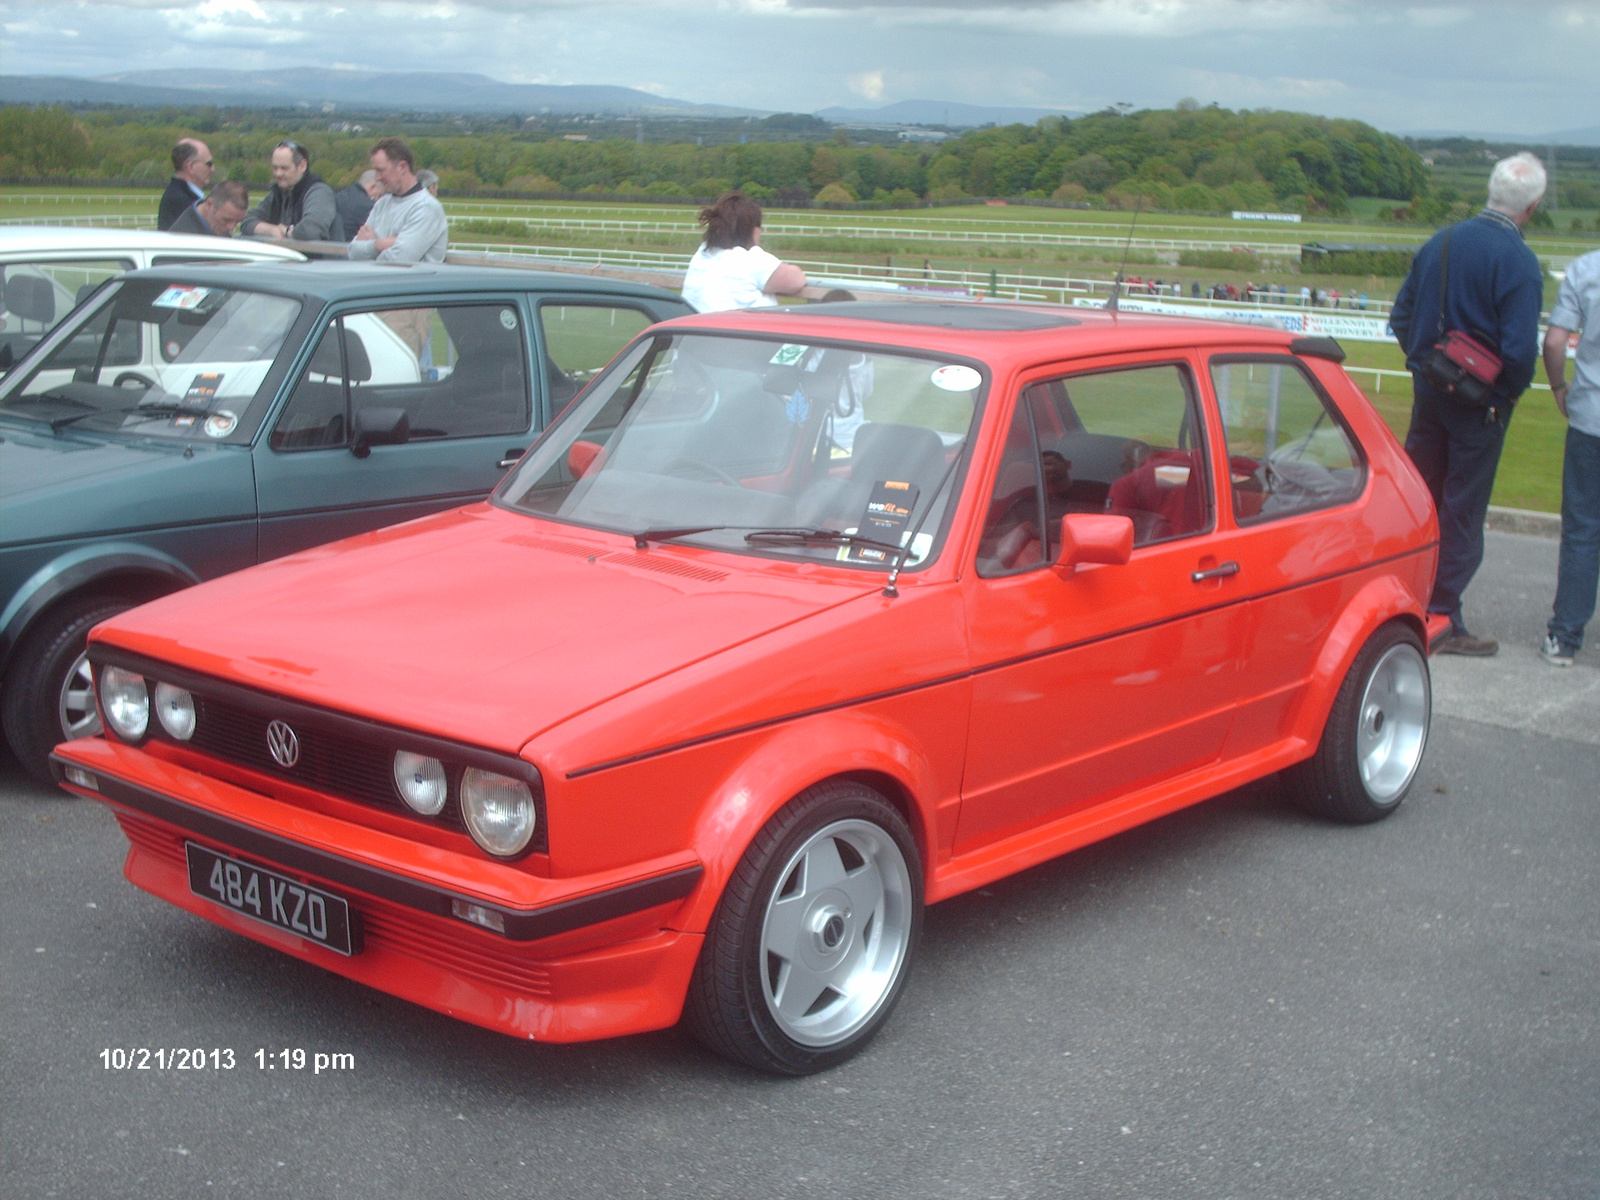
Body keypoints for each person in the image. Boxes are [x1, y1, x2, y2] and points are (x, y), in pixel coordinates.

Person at [1390, 151, 1547, 656]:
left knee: (1421, 501)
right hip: (1481, 407)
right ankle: (1443, 616)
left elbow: (1401, 317)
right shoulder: (1519, 261)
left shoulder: (1442, 240)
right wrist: (1502, 394)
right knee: (1461, 511)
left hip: (1429, 393)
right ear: (1533, 207)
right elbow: (1522, 352)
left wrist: (1428, 366)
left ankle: (1403, 598)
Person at [1540, 246, 1600, 667]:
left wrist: (1558, 386)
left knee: (1581, 530)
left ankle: (1564, 638)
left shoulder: (1586, 268)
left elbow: (1555, 340)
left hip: (1591, 419)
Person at [680, 191, 806, 312]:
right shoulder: (747, 259)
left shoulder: (702, 255)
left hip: (700, 330)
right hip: (737, 332)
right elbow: (795, 279)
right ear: (753, 229)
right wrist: (755, 249)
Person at [349, 137, 448, 264]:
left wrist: (371, 244)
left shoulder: (427, 208)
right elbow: (352, 252)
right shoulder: (382, 204)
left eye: (380, 170)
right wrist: (380, 244)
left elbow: (399, 260)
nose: (377, 178)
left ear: (402, 167)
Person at [239, 140, 341, 242]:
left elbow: (310, 231)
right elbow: (246, 221)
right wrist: (272, 230)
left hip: (319, 257)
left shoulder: (320, 193)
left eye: (284, 168)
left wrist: (287, 232)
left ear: (302, 166)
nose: (278, 174)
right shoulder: (277, 194)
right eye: (275, 168)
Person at [158, 139, 213, 231]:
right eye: (209, 164)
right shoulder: (181, 201)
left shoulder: (179, 194)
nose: (212, 169)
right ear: (190, 166)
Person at [166, 181, 249, 237]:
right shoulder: (184, 238)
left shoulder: (215, 229)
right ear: (209, 204)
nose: (231, 228)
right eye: (226, 220)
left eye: (237, 222)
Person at [334, 169, 380, 242]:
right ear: (373, 187)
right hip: (348, 249)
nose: (378, 200)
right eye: (379, 195)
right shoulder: (367, 206)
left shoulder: (339, 195)